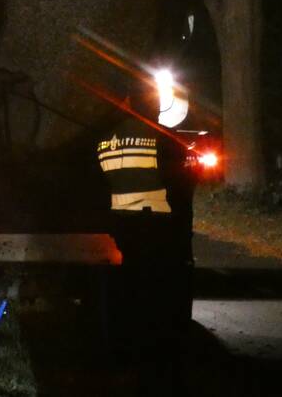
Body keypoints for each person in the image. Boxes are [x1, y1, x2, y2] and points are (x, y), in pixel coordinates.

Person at [97, 80, 195, 393]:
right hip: (156, 225)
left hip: (122, 225)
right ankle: (156, 358)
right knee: (157, 293)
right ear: (150, 107)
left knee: (128, 289)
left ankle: (126, 355)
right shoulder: (160, 137)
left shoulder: (106, 139)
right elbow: (180, 183)